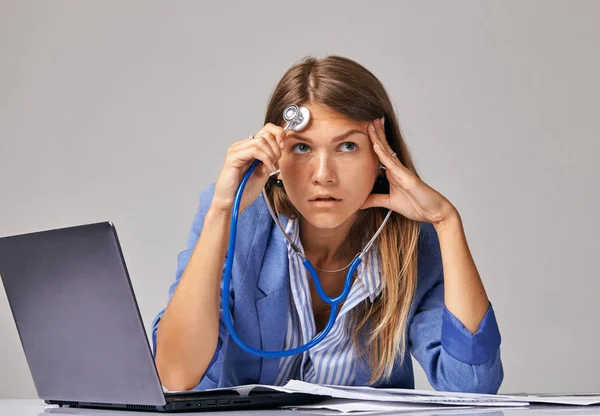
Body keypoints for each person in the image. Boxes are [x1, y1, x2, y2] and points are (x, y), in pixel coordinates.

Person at [151, 55, 503, 393]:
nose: (323, 176)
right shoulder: (236, 218)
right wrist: (222, 211)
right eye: (302, 148)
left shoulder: (409, 237)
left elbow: (471, 385)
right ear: (275, 155)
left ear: (382, 157)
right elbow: (176, 374)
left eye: (347, 146)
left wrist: (446, 221)